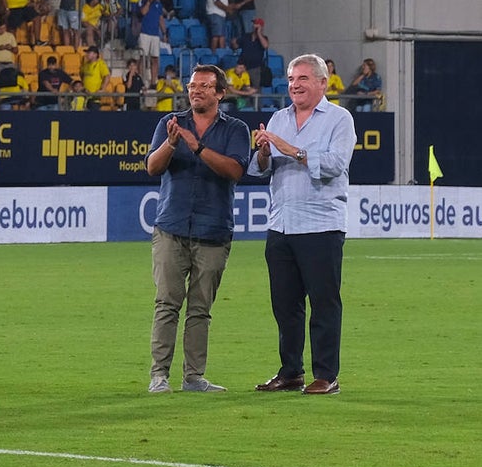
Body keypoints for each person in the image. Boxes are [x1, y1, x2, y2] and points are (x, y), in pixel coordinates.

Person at [250, 54, 356, 396]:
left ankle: (327, 375)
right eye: (292, 79)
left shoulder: (340, 119)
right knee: (285, 305)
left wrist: (290, 149)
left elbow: (336, 164)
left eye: (303, 79)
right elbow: (261, 168)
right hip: (281, 224)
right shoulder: (278, 118)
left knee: (324, 303)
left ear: (322, 83)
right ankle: (291, 371)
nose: (294, 85)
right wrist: (264, 151)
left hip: (321, 224)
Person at [146, 64, 250, 394]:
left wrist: (198, 147)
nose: (196, 91)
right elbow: (152, 167)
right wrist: (172, 144)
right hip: (171, 226)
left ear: (220, 93)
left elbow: (234, 170)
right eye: (192, 86)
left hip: (213, 229)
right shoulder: (170, 124)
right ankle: (159, 375)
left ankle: (193, 377)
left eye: (205, 86)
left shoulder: (236, 129)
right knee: (166, 304)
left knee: (200, 309)